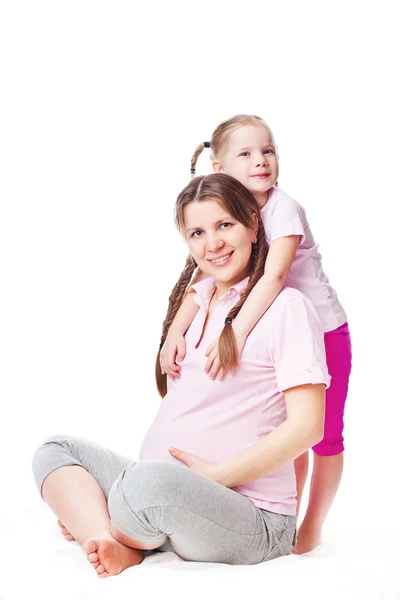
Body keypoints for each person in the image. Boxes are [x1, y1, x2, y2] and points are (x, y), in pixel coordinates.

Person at [32, 173, 329, 578]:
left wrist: (219, 474)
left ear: (254, 225)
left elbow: (309, 427)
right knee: (55, 449)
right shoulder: (196, 303)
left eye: (225, 225)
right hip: (171, 492)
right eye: (197, 233)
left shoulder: (286, 307)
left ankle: (118, 523)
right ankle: (111, 538)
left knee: (144, 485)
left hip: (253, 518)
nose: (214, 244)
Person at [160, 115, 352, 554]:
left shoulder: (281, 207)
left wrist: (235, 330)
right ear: (218, 166)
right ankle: (284, 513)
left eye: (268, 151)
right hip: (276, 335)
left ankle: (312, 528)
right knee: (281, 433)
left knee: (322, 433)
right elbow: (201, 276)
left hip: (322, 331)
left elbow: (274, 274)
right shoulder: (226, 209)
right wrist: (175, 331)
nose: (260, 161)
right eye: (245, 154)